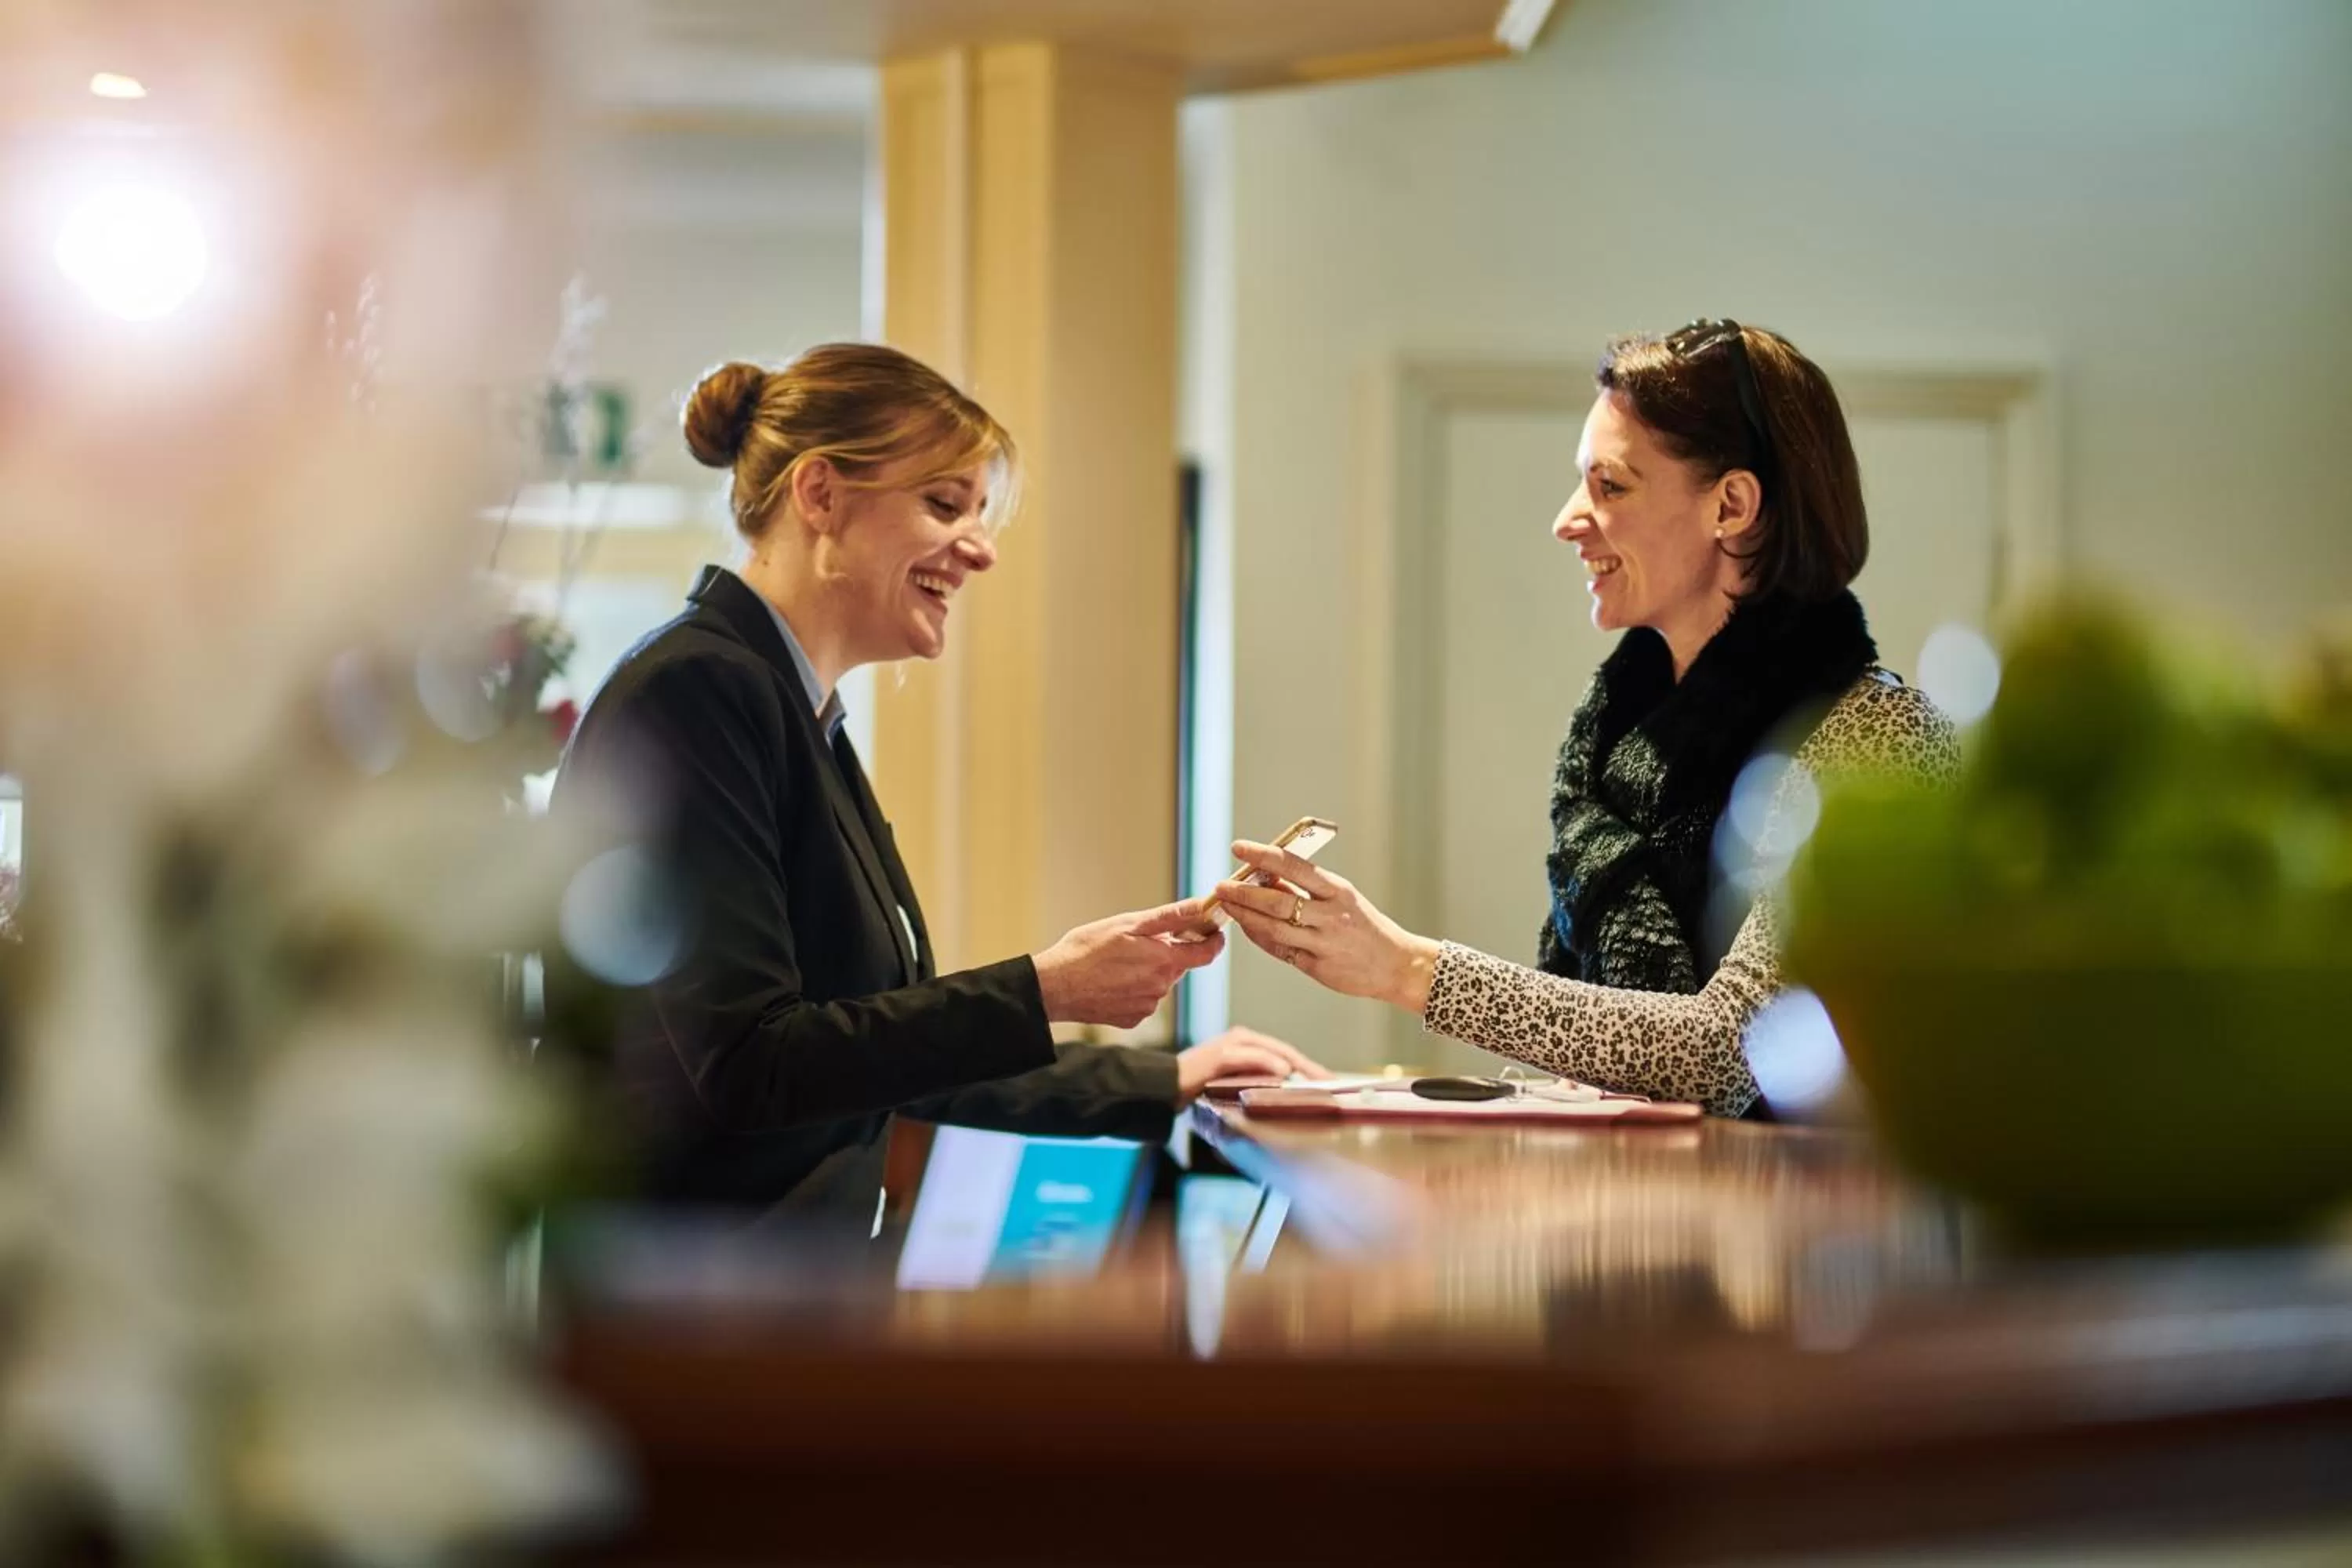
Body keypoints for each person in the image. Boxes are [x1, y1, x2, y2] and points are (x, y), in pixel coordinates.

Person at [548, 343, 1320, 1224]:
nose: (982, 550)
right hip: (702, 1312)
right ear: (820, 495)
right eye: (945, 503)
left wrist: (1163, 1074)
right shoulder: (702, 690)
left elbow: (885, 1046)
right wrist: (1047, 987)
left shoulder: (800, 713)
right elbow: (752, 1063)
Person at [1214, 321, 1956, 1119]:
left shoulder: (1878, 741)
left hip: (1805, 1242)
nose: (1569, 519)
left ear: (1732, 504)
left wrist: (1406, 968)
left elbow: (1734, 1050)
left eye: (1611, 486)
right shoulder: (1613, 745)